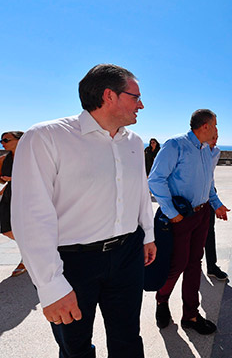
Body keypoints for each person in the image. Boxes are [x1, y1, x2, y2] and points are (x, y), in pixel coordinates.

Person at [11, 64, 156, 358]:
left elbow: (140, 191)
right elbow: (31, 216)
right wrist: (50, 286)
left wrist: (148, 235)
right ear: (109, 96)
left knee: (128, 337)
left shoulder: (134, 142)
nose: (141, 104)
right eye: (135, 96)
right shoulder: (45, 138)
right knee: (75, 347)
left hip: (127, 254)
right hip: (73, 263)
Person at [148, 109, 230, 334]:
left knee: (195, 263)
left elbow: (208, 183)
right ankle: (161, 300)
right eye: (215, 125)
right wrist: (171, 212)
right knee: (177, 264)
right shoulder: (175, 146)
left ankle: (190, 316)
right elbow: (155, 180)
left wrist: (216, 204)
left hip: (202, 215)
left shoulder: (206, 151)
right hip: (181, 217)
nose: (216, 129)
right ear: (205, 126)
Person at [0, 130, 26, 277]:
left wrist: (14, 179)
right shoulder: (5, 158)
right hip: (10, 195)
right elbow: (3, 180)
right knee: (6, 229)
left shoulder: (31, 156)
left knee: (25, 228)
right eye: (1, 141)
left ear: (19, 140)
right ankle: (30, 253)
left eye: (6, 140)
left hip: (28, 194)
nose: (2, 143)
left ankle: (26, 259)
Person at [204, 133, 228, 281]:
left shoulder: (216, 152)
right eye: (212, 137)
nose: (215, 140)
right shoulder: (196, 151)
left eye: (217, 137)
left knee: (209, 232)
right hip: (192, 199)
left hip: (209, 193)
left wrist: (215, 202)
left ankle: (212, 266)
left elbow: (209, 177)